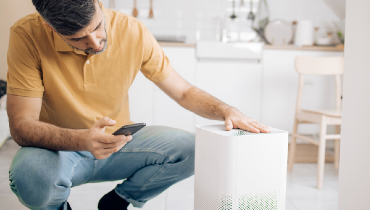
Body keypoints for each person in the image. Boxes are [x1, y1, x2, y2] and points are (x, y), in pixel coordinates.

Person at [6, 0, 270, 209]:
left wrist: (226, 110)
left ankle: (117, 202)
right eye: (77, 39)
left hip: (119, 144)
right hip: (58, 150)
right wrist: (81, 140)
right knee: (30, 178)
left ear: (98, 3)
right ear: (50, 27)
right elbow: (21, 126)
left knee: (195, 149)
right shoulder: (26, 35)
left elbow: (184, 92)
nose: (96, 43)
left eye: (97, 27)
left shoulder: (131, 30)